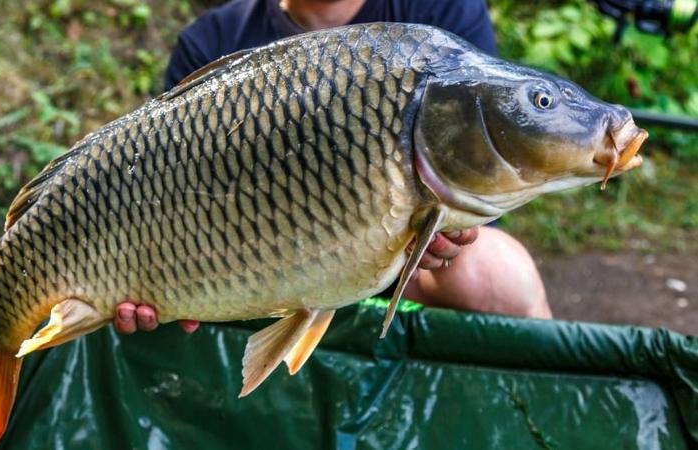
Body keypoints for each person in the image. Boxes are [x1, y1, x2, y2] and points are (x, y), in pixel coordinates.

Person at [114, 0, 551, 335]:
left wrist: (446, 233)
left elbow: (483, 163)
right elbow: (161, 194)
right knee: (151, 295)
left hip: (401, 259)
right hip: (246, 262)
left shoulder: (440, 11)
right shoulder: (210, 41)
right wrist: (159, 278)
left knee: (501, 276)